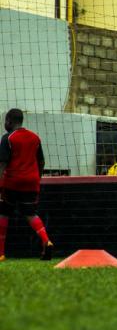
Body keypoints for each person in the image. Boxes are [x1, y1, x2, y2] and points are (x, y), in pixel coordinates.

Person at [0, 109, 54, 261]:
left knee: (3, 214)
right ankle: (46, 241)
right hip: (31, 182)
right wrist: (38, 177)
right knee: (30, 214)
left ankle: (1, 253)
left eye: (5, 121)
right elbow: (41, 162)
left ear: (9, 121)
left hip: (12, 181)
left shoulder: (7, 138)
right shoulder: (35, 138)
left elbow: (2, 164)